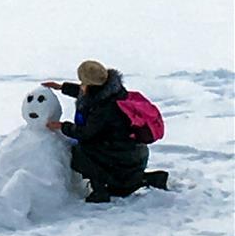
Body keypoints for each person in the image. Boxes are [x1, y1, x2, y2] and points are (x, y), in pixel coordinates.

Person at [43, 61, 168, 204]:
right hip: (129, 152)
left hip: (121, 157)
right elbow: (87, 95)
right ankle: (143, 179)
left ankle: (100, 191)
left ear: (90, 85)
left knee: (79, 152)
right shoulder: (111, 92)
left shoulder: (104, 109)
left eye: (83, 82)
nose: (81, 85)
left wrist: (62, 126)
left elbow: (85, 133)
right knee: (121, 188)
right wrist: (62, 87)